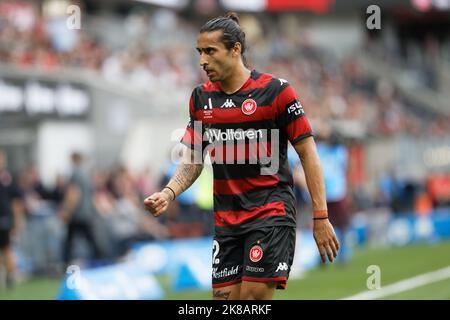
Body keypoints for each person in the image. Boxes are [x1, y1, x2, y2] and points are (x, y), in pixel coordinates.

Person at [144, 12, 339, 300]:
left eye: (210, 51)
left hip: (270, 213)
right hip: (226, 221)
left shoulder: (276, 92)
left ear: (236, 49)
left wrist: (320, 216)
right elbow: (194, 159)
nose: (202, 61)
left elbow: (308, 153)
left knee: (250, 301)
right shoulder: (201, 98)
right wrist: (169, 192)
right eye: (199, 52)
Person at [60, 152, 103, 266]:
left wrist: (67, 210)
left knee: (70, 241)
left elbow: (74, 193)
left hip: (77, 213)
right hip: (87, 212)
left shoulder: (75, 174)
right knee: (90, 239)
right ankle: (101, 259)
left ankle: (65, 263)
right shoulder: (86, 175)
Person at [0, 150, 24, 289]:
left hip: (4, 219)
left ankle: (10, 276)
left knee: (7, 248)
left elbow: (16, 201)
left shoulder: (7, 178)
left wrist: (17, 221)